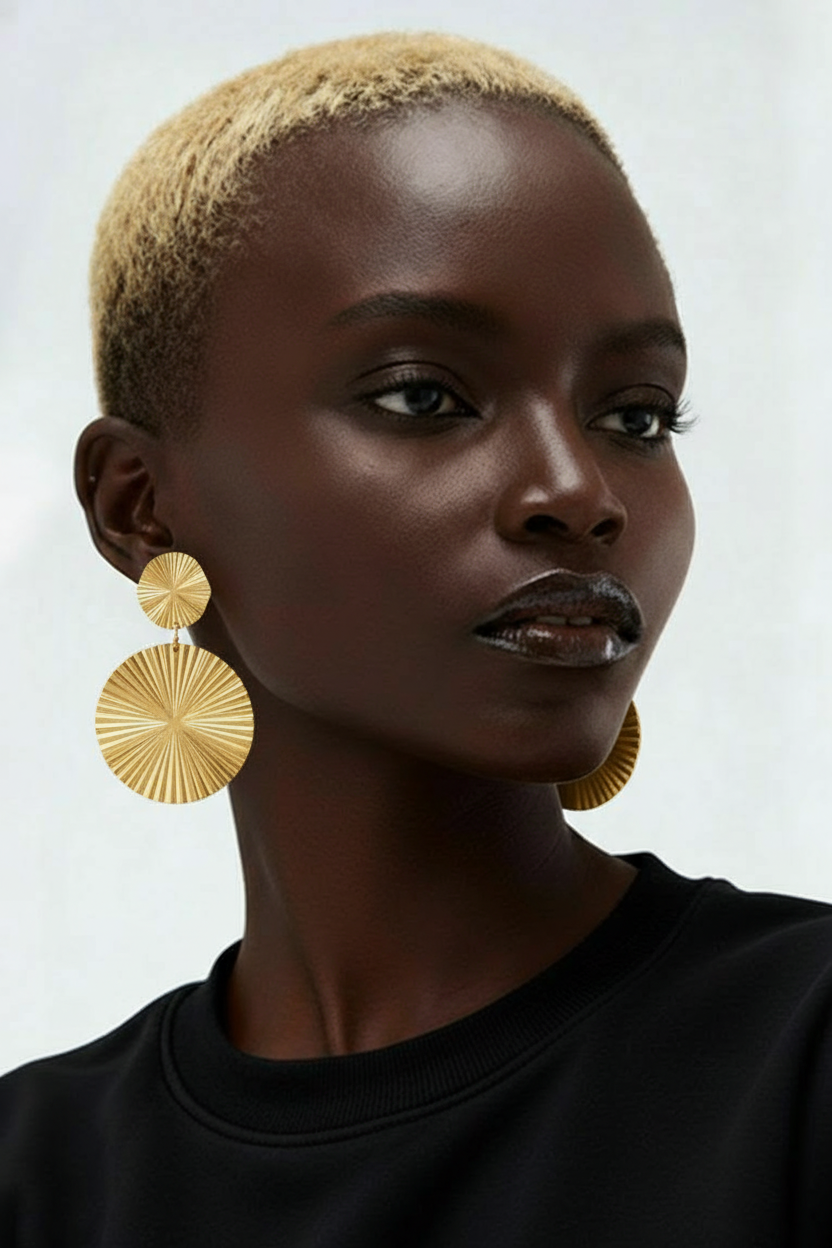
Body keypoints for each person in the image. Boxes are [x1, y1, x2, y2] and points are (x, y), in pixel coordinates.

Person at [1, 30, 831, 1246]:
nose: (577, 486)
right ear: (139, 504)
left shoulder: (797, 1057)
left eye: (636, 413)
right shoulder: (39, 1178)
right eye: (423, 396)